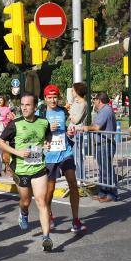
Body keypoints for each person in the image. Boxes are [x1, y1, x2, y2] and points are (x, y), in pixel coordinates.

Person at [0, 94, 54, 251]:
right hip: (21, 169)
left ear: (35, 107)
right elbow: (0, 142)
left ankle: (46, 238)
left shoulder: (43, 122)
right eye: (22, 104)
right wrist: (17, 152)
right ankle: (23, 212)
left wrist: (47, 145)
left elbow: (47, 138)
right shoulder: (15, 124)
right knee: (26, 201)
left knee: (41, 201)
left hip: (38, 167)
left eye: (28, 105)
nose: (24, 107)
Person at [40, 85, 87, 233]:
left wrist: (70, 131)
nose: (53, 100)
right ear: (45, 98)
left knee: (73, 183)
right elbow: (35, 134)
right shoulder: (40, 113)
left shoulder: (63, 112)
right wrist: (47, 130)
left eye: (55, 97)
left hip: (65, 152)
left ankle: (76, 220)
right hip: (50, 156)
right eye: (50, 98)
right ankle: (48, 214)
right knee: (50, 189)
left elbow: (68, 128)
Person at [79, 92, 118, 202]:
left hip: (106, 144)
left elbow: (97, 127)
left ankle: (112, 194)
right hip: (102, 144)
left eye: (95, 100)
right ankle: (102, 193)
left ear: (99, 101)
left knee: (107, 170)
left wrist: (87, 127)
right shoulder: (104, 110)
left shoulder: (106, 110)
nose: (94, 102)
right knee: (103, 170)